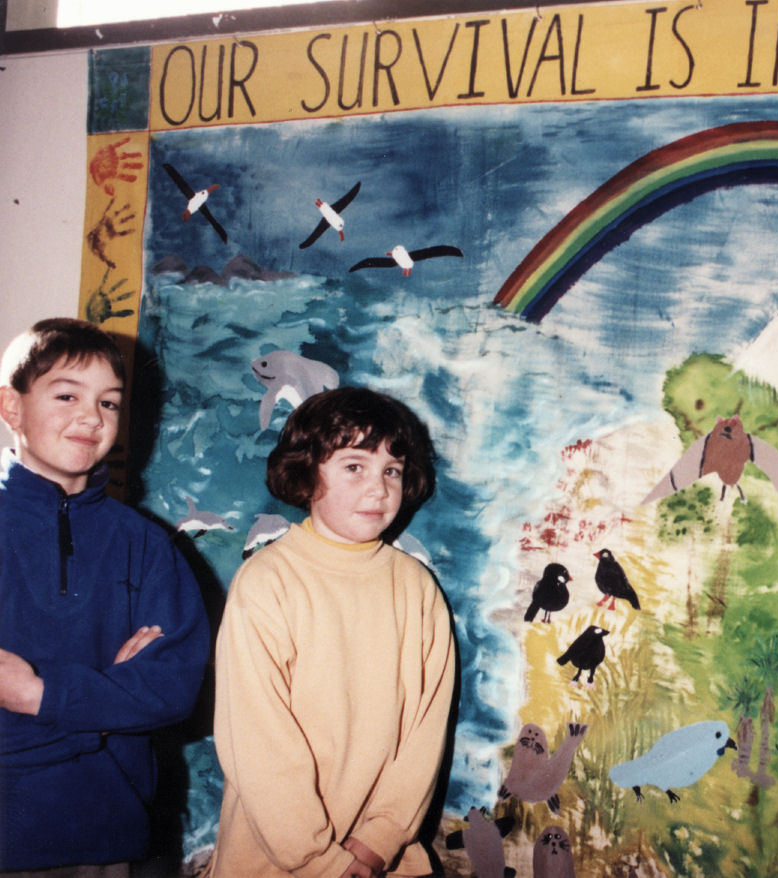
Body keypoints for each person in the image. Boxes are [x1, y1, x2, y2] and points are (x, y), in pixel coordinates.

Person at [208, 387, 456, 878]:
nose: (378, 488)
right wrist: (321, 860)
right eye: (354, 466)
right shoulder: (267, 581)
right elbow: (256, 739)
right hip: (275, 858)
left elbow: (427, 730)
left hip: (384, 859)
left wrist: (378, 841)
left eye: (392, 470)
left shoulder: (417, 587)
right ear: (306, 471)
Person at [0, 317, 210, 874]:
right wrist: (110, 699)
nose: (91, 417)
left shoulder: (146, 544)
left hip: (110, 834)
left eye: (110, 403)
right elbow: (137, 698)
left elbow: (172, 690)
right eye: (67, 394)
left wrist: (40, 695)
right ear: (11, 407)